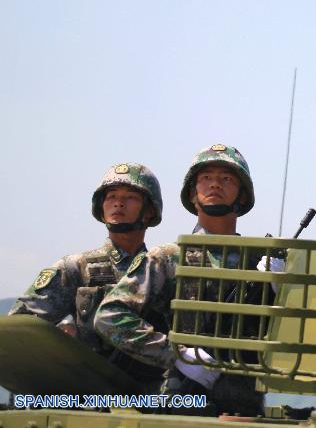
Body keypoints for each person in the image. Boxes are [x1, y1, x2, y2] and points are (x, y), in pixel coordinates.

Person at [95, 144, 264, 416]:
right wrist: (177, 355)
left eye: (226, 179)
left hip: (244, 402)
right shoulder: (171, 257)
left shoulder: (259, 262)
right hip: (184, 399)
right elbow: (110, 315)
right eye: (205, 178)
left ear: (242, 195)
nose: (215, 185)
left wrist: (282, 289)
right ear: (192, 194)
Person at [10, 162, 167, 388]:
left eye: (130, 197)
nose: (118, 203)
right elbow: (21, 329)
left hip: (156, 397)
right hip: (92, 397)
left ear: (150, 209)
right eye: (111, 196)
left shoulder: (163, 269)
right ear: (101, 206)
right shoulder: (75, 268)